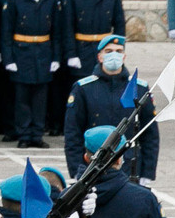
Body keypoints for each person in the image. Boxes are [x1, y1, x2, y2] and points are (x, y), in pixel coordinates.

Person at [63, 36, 161, 182]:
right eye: (108, 51)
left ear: (124, 56)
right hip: (94, 165)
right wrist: (77, 170)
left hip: (130, 165)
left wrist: (147, 173)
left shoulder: (139, 88)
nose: (114, 55)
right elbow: (73, 133)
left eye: (118, 51)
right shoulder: (84, 88)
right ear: (100, 57)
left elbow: (150, 133)